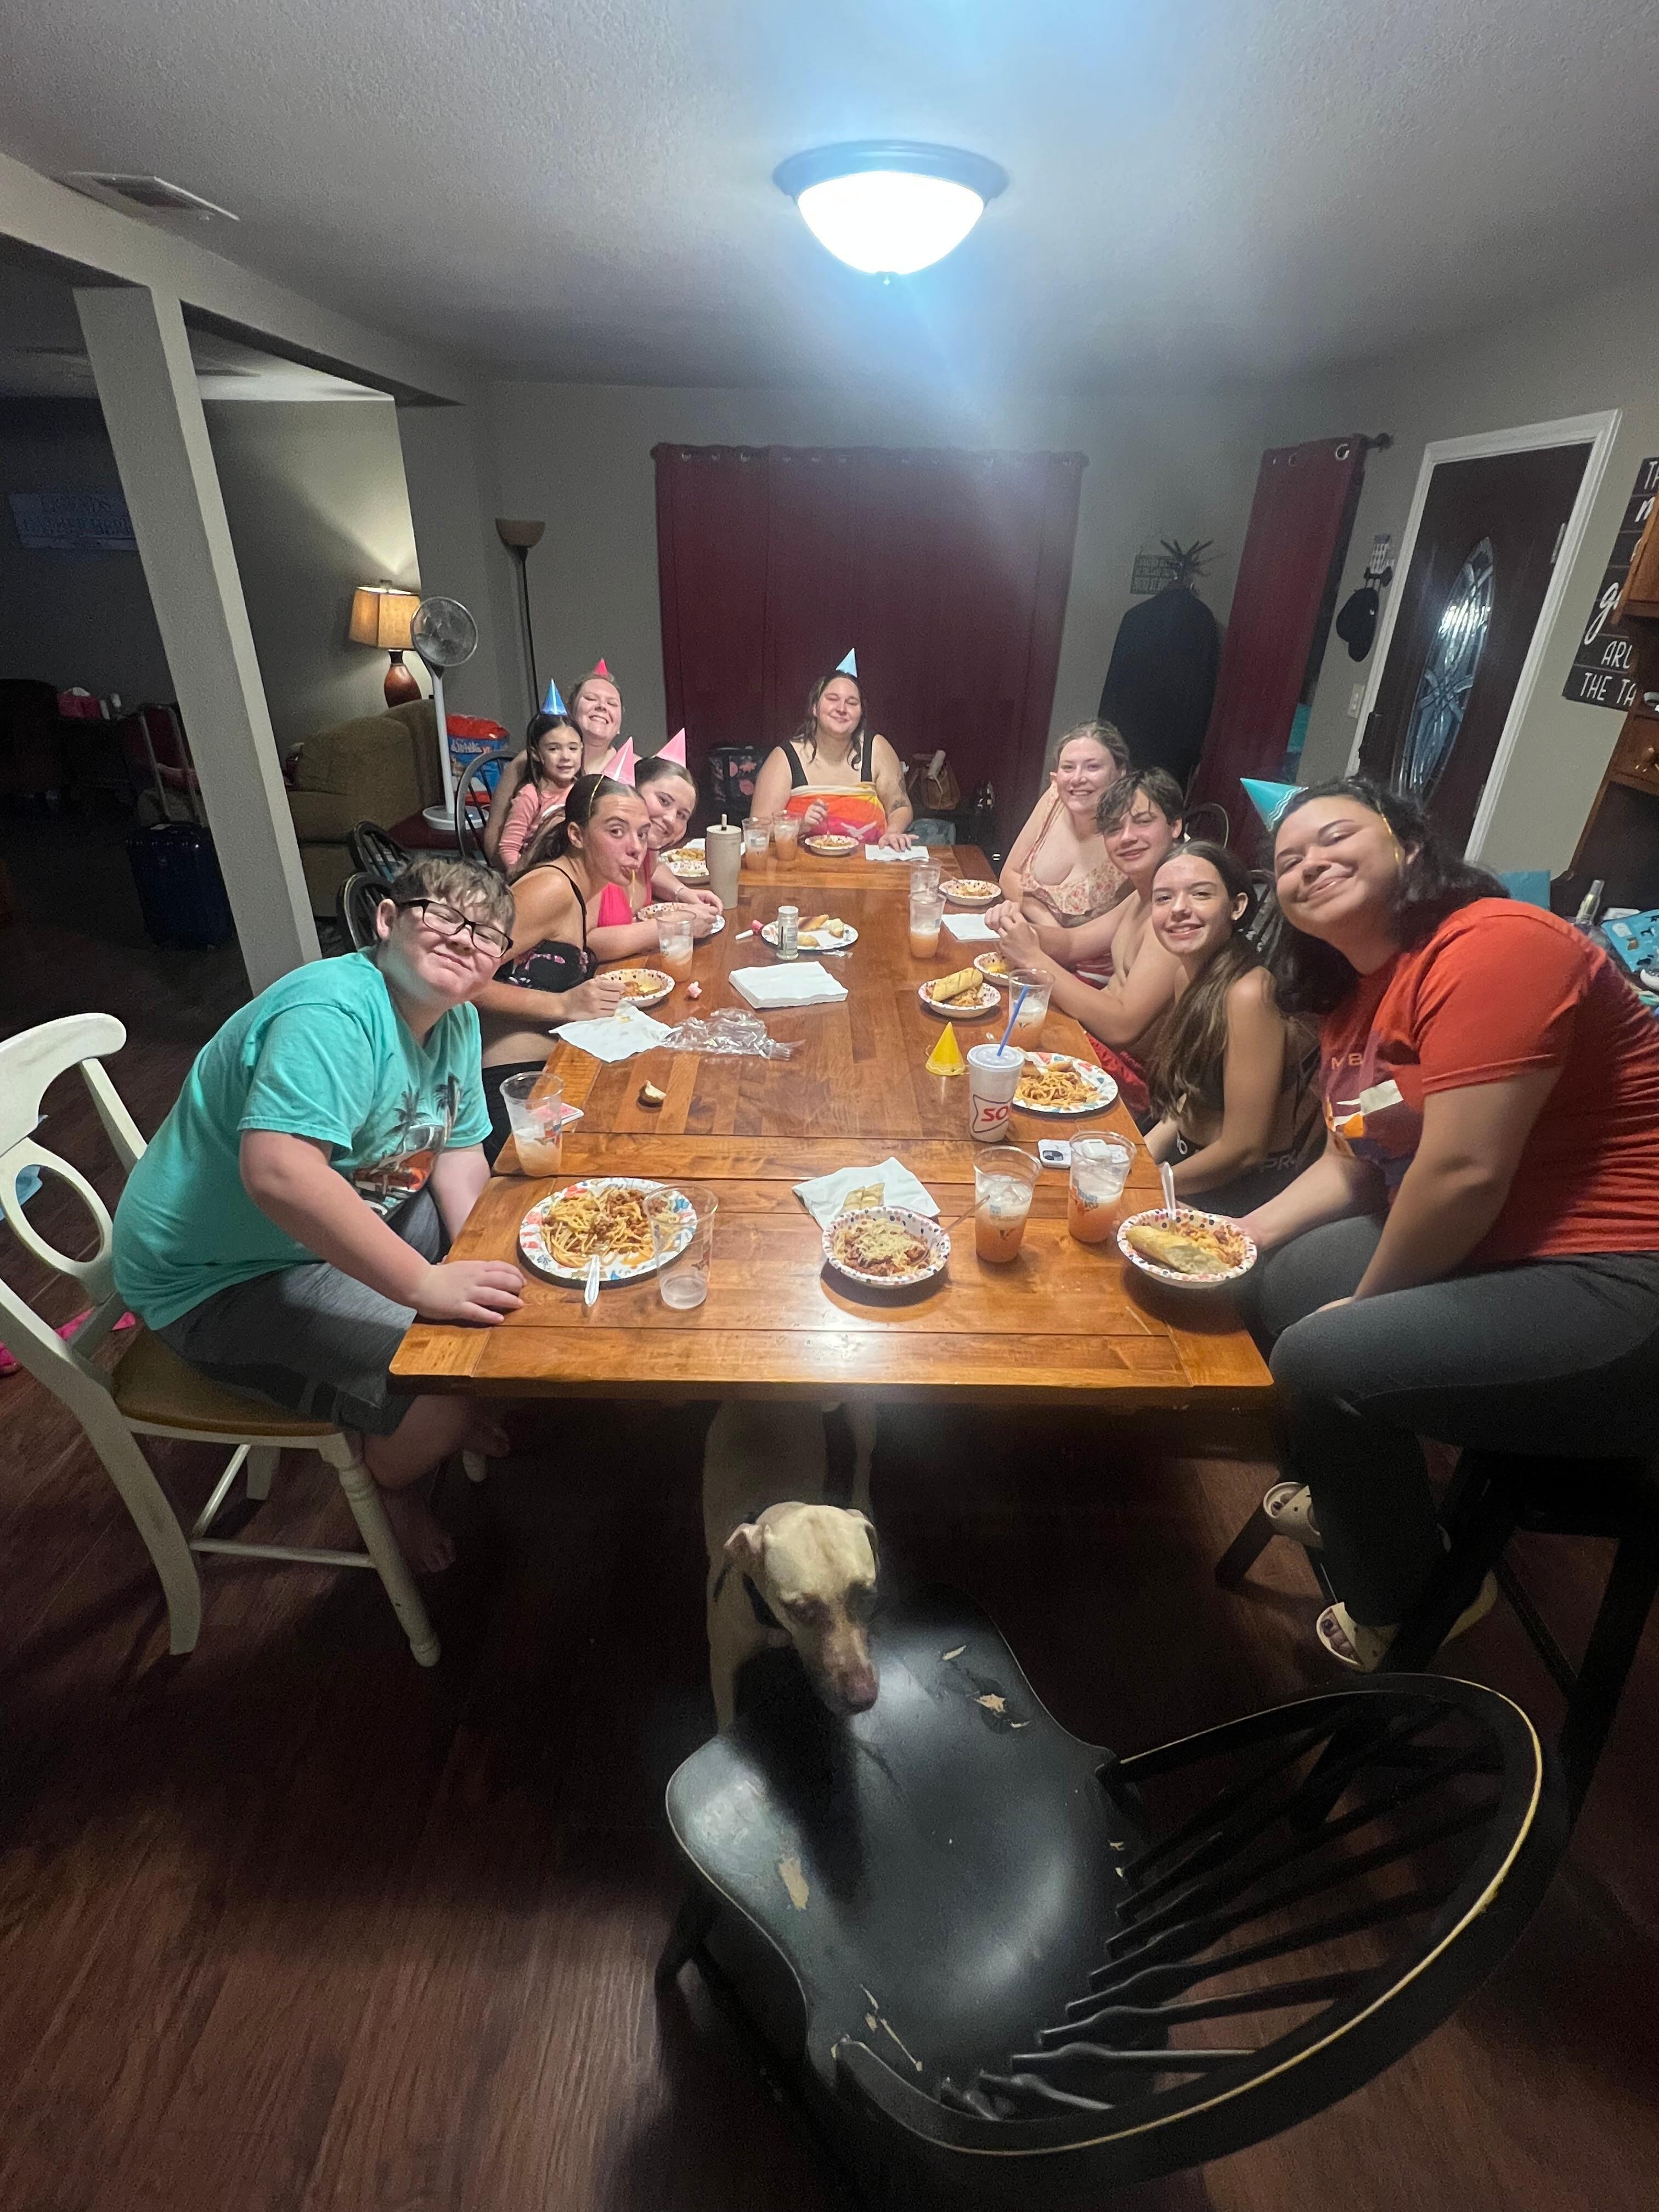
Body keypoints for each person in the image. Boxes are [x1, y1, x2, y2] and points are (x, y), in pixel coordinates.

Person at [1237, 777, 1659, 1671]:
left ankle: (1412, 1601)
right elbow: (1354, 1162)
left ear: (1410, 847)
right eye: (1287, 859)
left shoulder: (1495, 944)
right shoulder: (1355, 998)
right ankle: (1367, 1506)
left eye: (1335, 836)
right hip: (1509, 1244)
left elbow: (1464, 1173)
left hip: (1622, 1276)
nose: (1309, 863)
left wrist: (1365, 1306)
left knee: (1321, 1357)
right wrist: (1235, 1237)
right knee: (1276, 1276)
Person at [111, 856, 526, 1575]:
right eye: (444, 916)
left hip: (343, 1222)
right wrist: (428, 1287)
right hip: (220, 1278)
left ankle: (414, 1409)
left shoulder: (456, 1020)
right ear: (386, 920)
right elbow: (279, 1173)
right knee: (447, 1392)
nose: (465, 938)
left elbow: (458, 1162)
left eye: (487, 934)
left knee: (492, 1308)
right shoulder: (333, 1011)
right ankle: (391, 1484)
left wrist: (480, 1264)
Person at [988, 768, 1187, 1122]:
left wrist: (1032, 957)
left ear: (1175, 827)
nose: (1127, 838)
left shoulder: (1176, 914)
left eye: (1142, 822)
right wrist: (1022, 931)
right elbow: (1072, 942)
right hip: (1095, 1047)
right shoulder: (1143, 894)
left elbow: (1123, 1026)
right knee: (987, 1050)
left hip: (1133, 1087)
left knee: (992, 1081)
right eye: (1114, 829)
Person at [472, 774, 644, 1155]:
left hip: (554, 1065)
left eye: (642, 834)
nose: (636, 848)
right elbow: (464, 983)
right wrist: (562, 1005)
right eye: (617, 831)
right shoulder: (551, 889)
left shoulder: (587, 888)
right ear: (577, 835)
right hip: (508, 1088)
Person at [1142, 843, 1317, 1214]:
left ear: (1237, 907)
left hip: (1237, 1195)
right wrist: (1140, 1158)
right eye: (1163, 898)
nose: (1178, 909)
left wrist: (1152, 1183)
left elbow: (1245, 1149)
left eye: (1201, 894)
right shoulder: (1185, 977)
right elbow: (1189, 1101)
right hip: (1187, 1165)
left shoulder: (1250, 993)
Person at [997, 720, 1130, 959]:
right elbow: (1008, 875)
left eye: (1092, 767)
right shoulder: (1054, 799)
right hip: (1025, 943)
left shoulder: (1133, 835)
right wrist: (1046, 922)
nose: (1077, 779)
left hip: (1086, 967)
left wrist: (1044, 934)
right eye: (1068, 768)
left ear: (1120, 774)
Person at [749, 670, 915, 849]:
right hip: (801, 866)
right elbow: (758, 828)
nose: (842, 709)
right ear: (815, 708)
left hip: (869, 863)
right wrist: (799, 825)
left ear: (861, 713)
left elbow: (900, 806)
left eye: (852, 703)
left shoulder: (877, 749)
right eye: (832, 699)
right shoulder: (785, 757)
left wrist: (894, 831)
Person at [482, 667, 628, 862]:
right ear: (570, 713)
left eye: (612, 703)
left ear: (620, 725)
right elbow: (498, 841)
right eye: (591, 699)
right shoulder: (526, 766)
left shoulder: (631, 768)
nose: (602, 706)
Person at [494, 711, 584, 870]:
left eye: (573, 748)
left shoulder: (582, 790)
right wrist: (523, 875)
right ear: (536, 754)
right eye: (554, 749)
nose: (565, 757)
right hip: (539, 872)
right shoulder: (530, 795)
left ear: (582, 749)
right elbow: (508, 848)